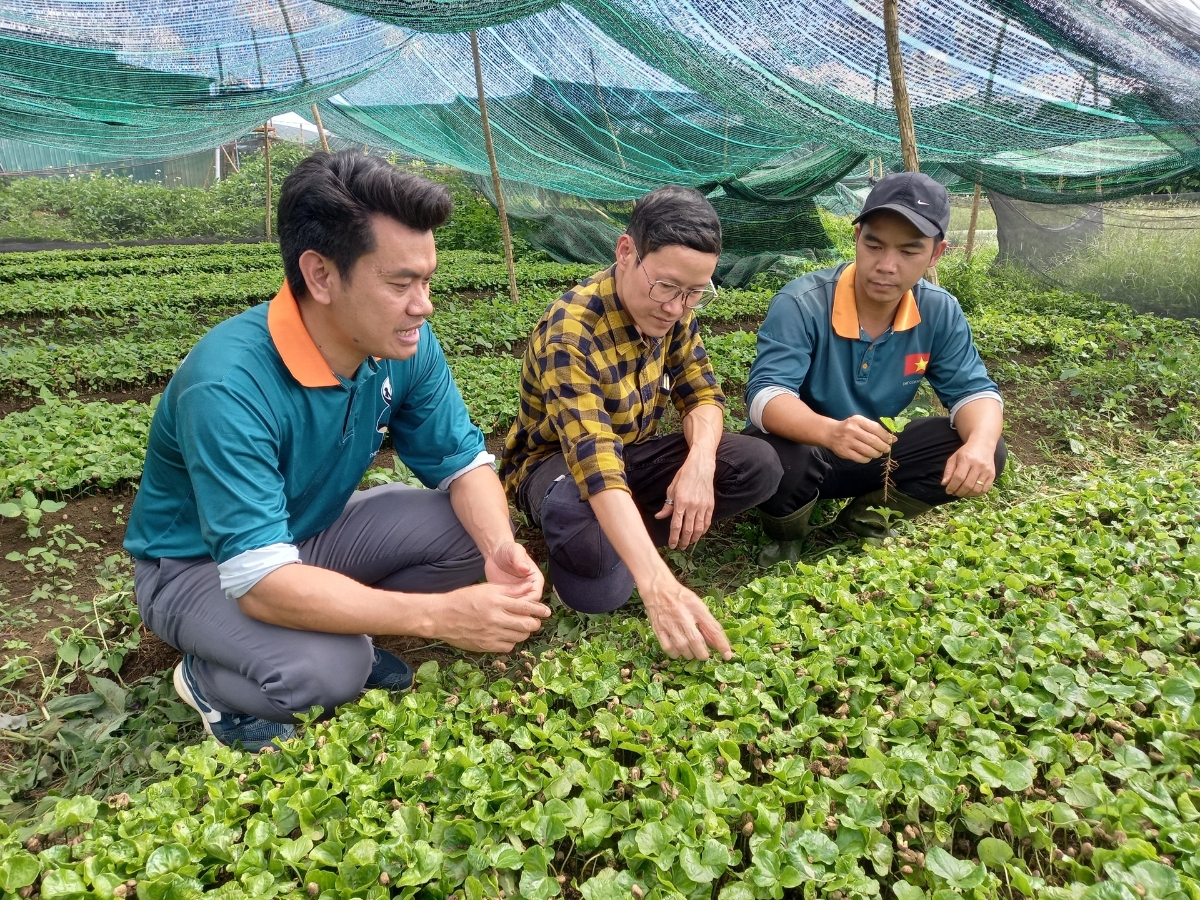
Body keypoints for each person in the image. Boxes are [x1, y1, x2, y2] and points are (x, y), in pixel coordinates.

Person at [124, 151, 548, 751]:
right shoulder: (229, 384)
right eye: (400, 283)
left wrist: (500, 550)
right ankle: (209, 680)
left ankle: (331, 621)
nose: (423, 305)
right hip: (201, 569)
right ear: (321, 275)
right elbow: (259, 579)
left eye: (426, 280)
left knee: (472, 537)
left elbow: (464, 460)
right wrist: (438, 616)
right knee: (329, 672)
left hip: (307, 535)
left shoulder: (401, 342)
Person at [500, 185, 783, 661]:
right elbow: (594, 459)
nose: (675, 306)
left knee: (758, 463)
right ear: (626, 251)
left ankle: (625, 535)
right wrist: (658, 585)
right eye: (667, 286)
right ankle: (618, 539)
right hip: (557, 465)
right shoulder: (570, 330)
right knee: (598, 588)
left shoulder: (676, 309)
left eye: (694, 293)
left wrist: (699, 462)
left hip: (632, 455)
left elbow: (704, 393)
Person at [744, 172, 1006, 565]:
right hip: (806, 447)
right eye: (874, 244)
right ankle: (785, 538)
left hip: (875, 450)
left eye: (909, 251)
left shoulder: (939, 310)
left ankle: (864, 522)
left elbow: (973, 392)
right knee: (770, 454)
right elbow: (765, 395)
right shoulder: (802, 303)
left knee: (985, 446)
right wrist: (830, 431)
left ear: (936, 254)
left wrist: (981, 446)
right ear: (857, 239)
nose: (886, 265)